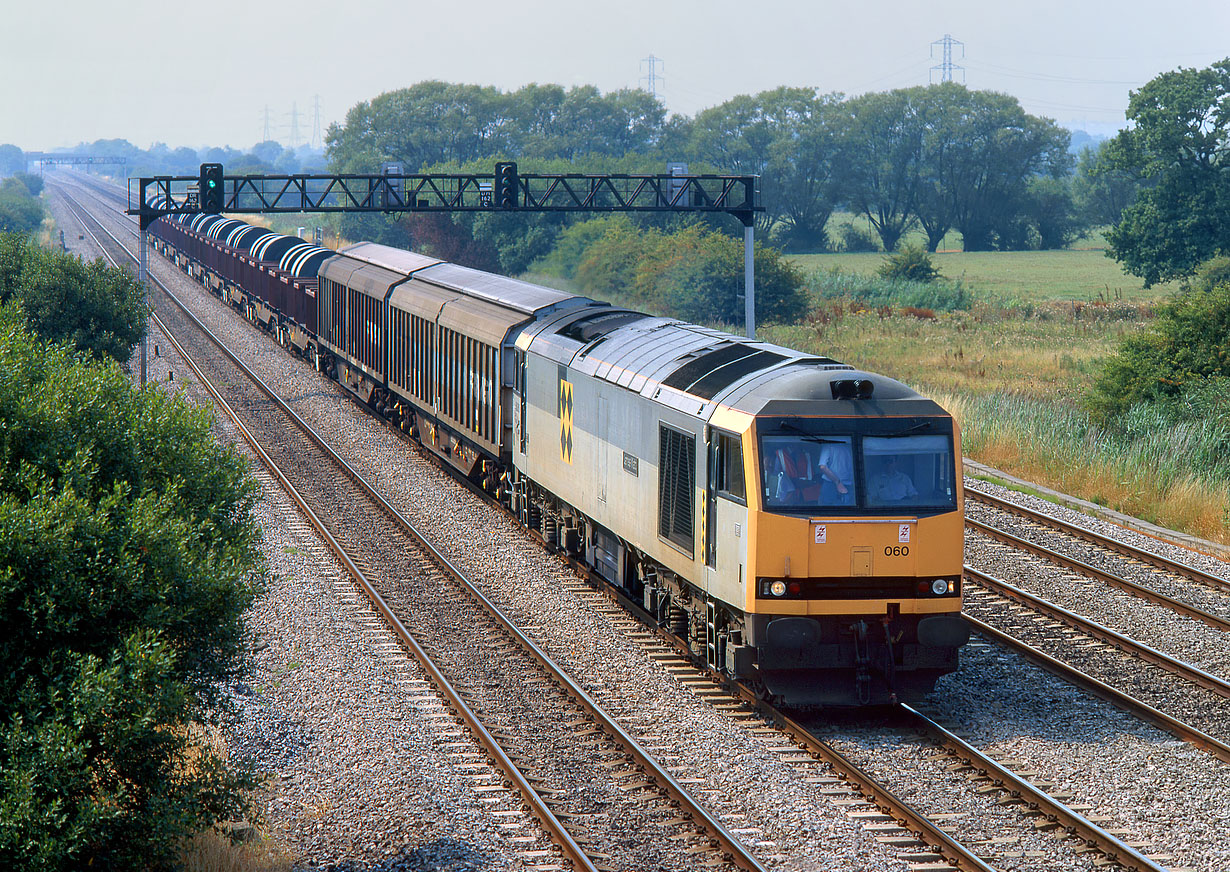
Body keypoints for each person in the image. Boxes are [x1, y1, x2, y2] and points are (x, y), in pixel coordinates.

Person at [817, 440, 854, 505]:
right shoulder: (851, 444)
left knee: (826, 513)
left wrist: (837, 482)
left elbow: (822, 466)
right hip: (849, 484)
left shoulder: (828, 445)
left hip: (830, 485)